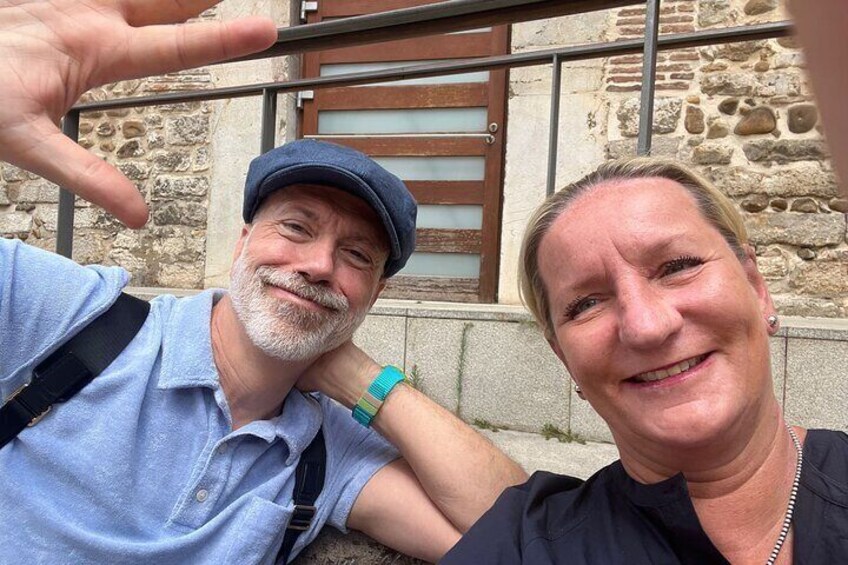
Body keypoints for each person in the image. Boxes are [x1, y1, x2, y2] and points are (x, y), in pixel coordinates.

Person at [0, 2, 527, 563]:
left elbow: (524, 537)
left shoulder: (328, 453)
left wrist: (362, 378)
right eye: (296, 227)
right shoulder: (75, 316)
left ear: (374, 295)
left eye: (355, 255)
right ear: (243, 241)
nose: (319, 265)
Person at [441, 159, 848, 563]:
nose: (646, 326)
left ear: (756, 288)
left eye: (678, 267)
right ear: (563, 357)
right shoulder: (521, 548)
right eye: (586, 304)